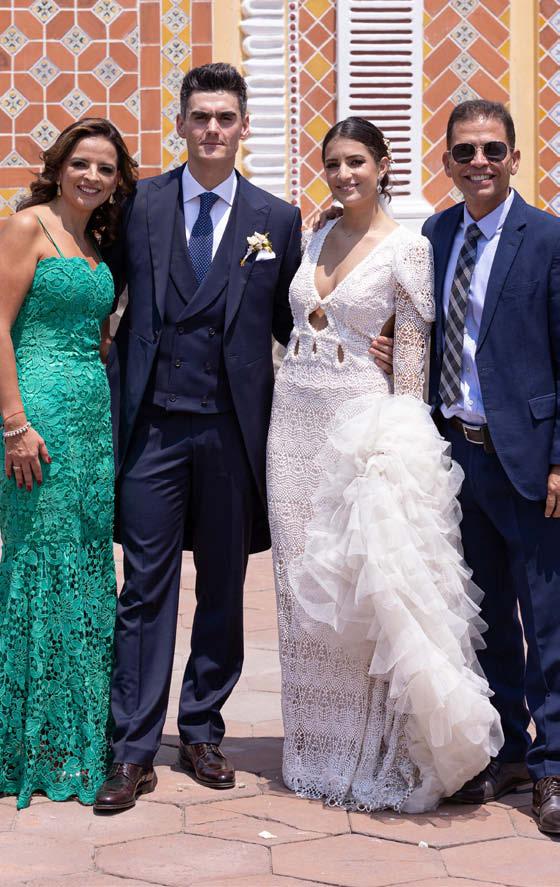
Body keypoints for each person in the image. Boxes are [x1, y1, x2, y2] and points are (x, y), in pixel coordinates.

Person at [266, 116, 503, 813]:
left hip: (363, 429)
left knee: (364, 588)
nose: (344, 175)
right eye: (333, 163)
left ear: (383, 165)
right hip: (292, 425)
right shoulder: (313, 234)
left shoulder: (409, 248)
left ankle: (373, 755)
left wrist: (398, 459)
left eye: (356, 162)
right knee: (298, 587)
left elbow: (411, 368)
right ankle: (313, 749)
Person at [93, 63, 304, 812]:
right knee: (144, 586)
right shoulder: (141, 204)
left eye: (225, 117)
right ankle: (132, 748)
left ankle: (203, 729)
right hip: (151, 426)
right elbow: (96, 284)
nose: (213, 129)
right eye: (201, 116)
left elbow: (297, 322)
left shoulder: (277, 219)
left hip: (230, 431)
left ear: (244, 127)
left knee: (221, 584)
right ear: (180, 123)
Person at [420, 100, 560, 834]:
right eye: (466, 151)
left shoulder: (549, 238)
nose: (480, 162)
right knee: (486, 616)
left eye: (493, 150)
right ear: (446, 160)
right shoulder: (436, 233)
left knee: (548, 619)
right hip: (457, 453)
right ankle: (506, 750)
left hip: (530, 458)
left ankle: (552, 764)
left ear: (515, 159)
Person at [0, 118, 137, 808]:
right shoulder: (27, 226)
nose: (92, 176)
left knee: (85, 565)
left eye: (106, 168)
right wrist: (14, 425)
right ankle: (27, 741)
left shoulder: (96, 242)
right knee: (37, 563)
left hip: (91, 424)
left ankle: (78, 735)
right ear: (59, 166)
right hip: (38, 422)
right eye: (81, 163)